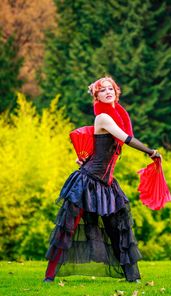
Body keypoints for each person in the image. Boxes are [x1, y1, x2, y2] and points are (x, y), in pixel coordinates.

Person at [43, 76, 160, 283]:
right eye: (103, 90)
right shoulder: (103, 118)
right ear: (96, 95)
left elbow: (102, 147)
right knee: (68, 227)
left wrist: (86, 157)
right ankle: (49, 276)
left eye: (111, 89)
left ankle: (132, 277)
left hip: (106, 184)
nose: (108, 92)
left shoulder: (117, 116)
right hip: (86, 182)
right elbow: (126, 139)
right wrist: (151, 152)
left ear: (116, 92)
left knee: (118, 229)